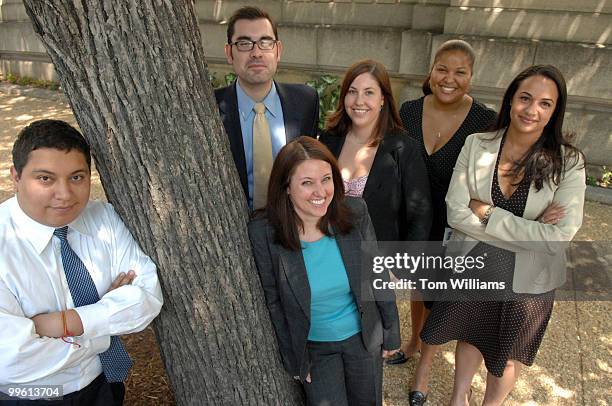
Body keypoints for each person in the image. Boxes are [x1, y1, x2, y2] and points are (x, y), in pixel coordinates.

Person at [420, 65, 585, 405]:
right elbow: (455, 210)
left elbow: (557, 238)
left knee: (506, 356)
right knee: (469, 336)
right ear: (511, 100)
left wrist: (488, 213)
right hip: (476, 264)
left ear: (555, 111)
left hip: (529, 278)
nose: (531, 109)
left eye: (545, 103)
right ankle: (458, 399)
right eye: (525, 98)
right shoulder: (477, 144)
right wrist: (533, 228)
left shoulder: (569, 163)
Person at [0, 120, 163, 405]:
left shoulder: (103, 218)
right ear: (16, 176)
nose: (64, 194)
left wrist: (61, 324)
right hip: (30, 395)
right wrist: (105, 322)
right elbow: (12, 360)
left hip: (102, 385)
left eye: (76, 177)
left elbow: (147, 298)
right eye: (45, 179)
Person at [248, 136, 400, 406]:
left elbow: (377, 275)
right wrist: (294, 358)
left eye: (326, 179)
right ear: (286, 187)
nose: (321, 192)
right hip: (315, 349)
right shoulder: (265, 232)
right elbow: (273, 300)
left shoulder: (355, 212)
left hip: (363, 339)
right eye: (307, 183)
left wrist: (391, 331)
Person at [396, 40, 496, 405]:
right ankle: (411, 341)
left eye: (460, 72)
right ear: (431, 70)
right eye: (442, 69)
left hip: (456, 222)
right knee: (418, 287)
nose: (449, 79)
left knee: (440, 296)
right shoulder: (407, 110)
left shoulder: (485, 120)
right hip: (414, 218)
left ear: (471, 77)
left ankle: (425, 364)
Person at [215, 6, 319, 209]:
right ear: (229, 53)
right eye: (244, 43)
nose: (256, 53)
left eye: (265, 42)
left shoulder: (305, 101)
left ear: (278, 50)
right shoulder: (210, 108)